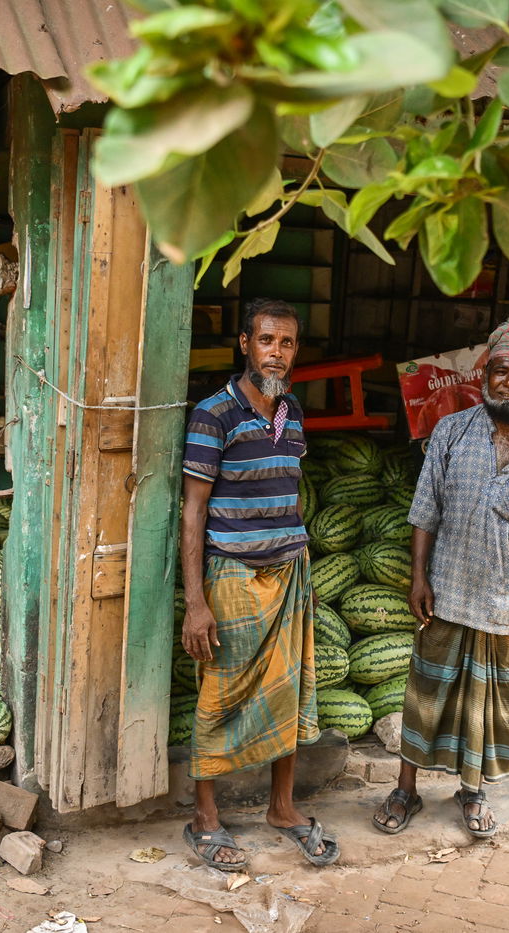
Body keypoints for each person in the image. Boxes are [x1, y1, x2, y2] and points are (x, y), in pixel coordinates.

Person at [372, 314, 509, 839]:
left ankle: (474, 792)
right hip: (447, 592)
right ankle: (405, 790)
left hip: (508, 599)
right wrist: (418, 577)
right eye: (502, 370)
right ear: (484, 375)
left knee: (486, 706)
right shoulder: (451, 431)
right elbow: (426, 511)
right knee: (425, 697)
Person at [179, 298, 337, 871]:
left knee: (289, 692)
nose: (278, 351)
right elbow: (193, 511)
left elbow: (290, 492)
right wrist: (195, 602)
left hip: (290, 573)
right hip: (234, 576)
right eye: (267, 340)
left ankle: (282, 806)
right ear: (245, 344)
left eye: (288, 343)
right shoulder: (212, 414)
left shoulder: (292, 410)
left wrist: (303, 568)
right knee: (220, 693)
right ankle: (205, 817)